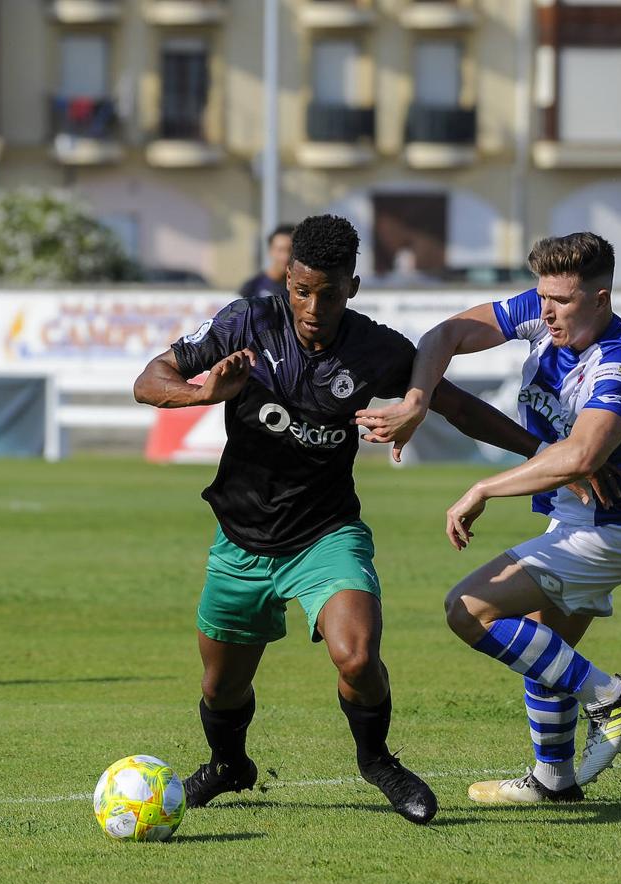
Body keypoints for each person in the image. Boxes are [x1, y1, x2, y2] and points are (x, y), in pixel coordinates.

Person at [133, 214, 551, 825]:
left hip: (325, 534)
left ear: (351, 287)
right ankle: (229, 766)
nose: (312, 305)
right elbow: (149, 381)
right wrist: (201, 394)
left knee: (356, 656)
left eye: (327, 293)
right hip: (241, 538)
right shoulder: (245, 322)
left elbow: (455, 406)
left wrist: (545, 456)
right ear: (286, 279)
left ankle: (377, 759)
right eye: (301, 290)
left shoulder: (374, 348)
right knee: (220, 688)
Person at [356, 233, 621, 804]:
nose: (547, 312)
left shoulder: (619, 363)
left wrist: (482, 488)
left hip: (612, 531)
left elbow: (581, 457)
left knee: (468, 609)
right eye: (543, 296)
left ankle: (613, 696)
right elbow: (443, 335)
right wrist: (416, 402)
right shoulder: (542, 311)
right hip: (579, 523)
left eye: (564, 301)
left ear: (601, 299)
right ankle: (554, 781)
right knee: (545, 654)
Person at [238, 224, 294, 298]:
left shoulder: (298, 289)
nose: (286, 257)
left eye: (290, 251)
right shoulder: (251, 288)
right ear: (270, 251)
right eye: (280, 250)